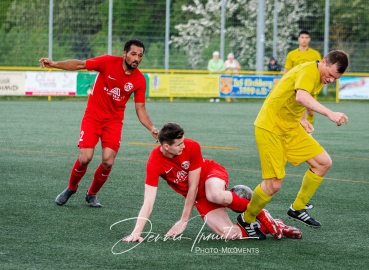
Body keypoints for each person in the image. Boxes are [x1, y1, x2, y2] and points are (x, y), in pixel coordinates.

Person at [123, 123, 303, 242]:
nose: (183, 146)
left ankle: (259, 211)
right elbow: (148, 201)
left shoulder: (192, 146)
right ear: (165, 146)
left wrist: (184, 220)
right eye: (179, 144)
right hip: (199, 197)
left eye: (183, 142)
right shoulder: (154, 162)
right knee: (230, 234)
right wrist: (137, 232)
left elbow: (193, 185)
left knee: (214, 194)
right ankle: (274, 224)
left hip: (210, 174)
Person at [237, 50, 349, 239]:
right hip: (270, 127)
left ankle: (297, 208)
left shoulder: (319, 77)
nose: (330, 80)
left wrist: (301, 119)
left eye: (335, 79)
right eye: (330, 75)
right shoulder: (309, 71)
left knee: (323, 163)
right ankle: (246, 219)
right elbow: (301, 97)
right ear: (324, 62)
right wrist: (330, 113)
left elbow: (296, 98)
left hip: (290, 128)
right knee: (273, 185)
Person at [39, 39, 159, 207]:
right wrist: (54, 64)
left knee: (108, 161)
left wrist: (152, 128)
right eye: (133, 54)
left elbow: (141, 109)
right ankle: (71, 188)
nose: (136, 59)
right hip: (93, 117)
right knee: (85, 158)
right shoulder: (107, 62)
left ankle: (92, 194)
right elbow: (80, 65)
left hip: (114, 122)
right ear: (124, 53)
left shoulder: (139, 80)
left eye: (140, 56)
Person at [283, 30, 322, 127]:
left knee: (311, 110)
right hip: (296, 85)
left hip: (310, 85)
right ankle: (303, 131)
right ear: (298, 39)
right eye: (302, 37)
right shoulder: (291, 54)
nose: (304, 40)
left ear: (309, 39)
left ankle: (310, 126)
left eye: (306, 37)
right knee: (298, 110)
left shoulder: (315, 54)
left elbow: (320, 69)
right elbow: (287, 71)